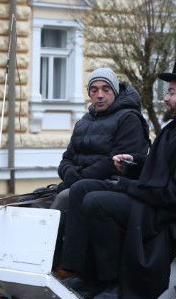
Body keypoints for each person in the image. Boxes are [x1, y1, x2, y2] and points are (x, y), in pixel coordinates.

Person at [58, 57, 176, 299]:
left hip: (175, 213)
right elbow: (162, 168)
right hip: (158, 199)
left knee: (98, 203)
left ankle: (114, 282)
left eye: (171, 92)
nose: (166, 98)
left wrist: (127, 186)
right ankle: (82, 273)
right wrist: (134, 164)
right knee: (81, 189)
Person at [55, 67, 150, 206]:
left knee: (63, 198)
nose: (99, 95)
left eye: (106, 89)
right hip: (78, 182)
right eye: (94, 90)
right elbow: (67, 158)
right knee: (32, 202)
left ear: (115, 91)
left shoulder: (129, 119)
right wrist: (68, 172)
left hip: (110, 186)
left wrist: (76, 178)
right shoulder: (84, 121)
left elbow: (114, 164)